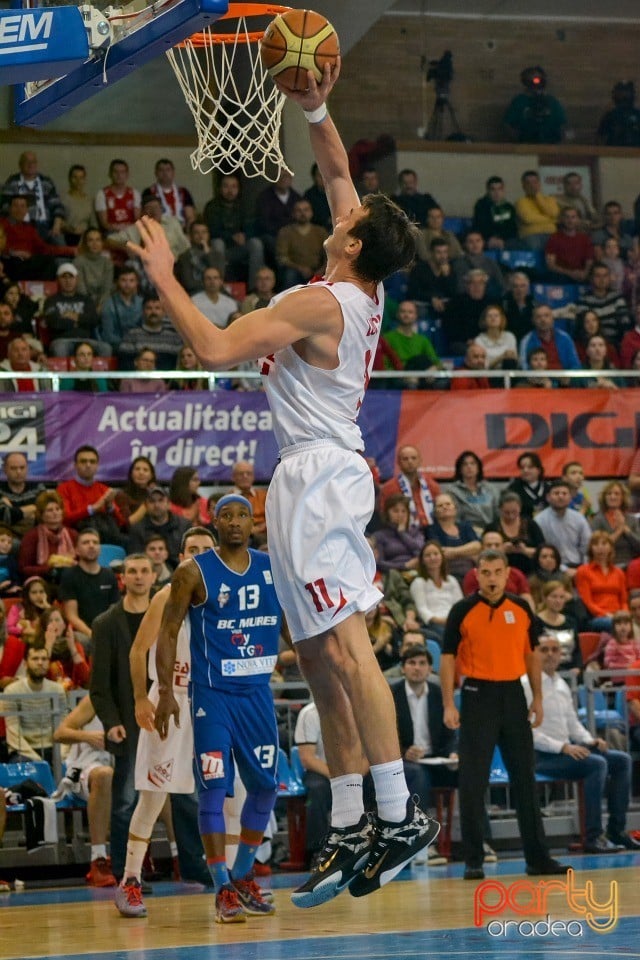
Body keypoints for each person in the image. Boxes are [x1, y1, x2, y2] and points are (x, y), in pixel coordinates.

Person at [128, 59, 440, 908]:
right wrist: (317, 104)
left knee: (345, 646)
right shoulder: (357, 274)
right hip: (309, 476)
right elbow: (338, 168)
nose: (342, 204)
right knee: (315, 654)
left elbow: (217, 349)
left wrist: (164, 280)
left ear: (354, 240)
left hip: (321, 475)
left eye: (353, 215)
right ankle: (348, 822)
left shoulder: (320, 302)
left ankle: (400, 810)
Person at [152, 497, 281, 923]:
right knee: (213, 787)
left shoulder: (273, 566)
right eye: (225, 515)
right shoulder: (193, 571)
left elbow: (293, 624)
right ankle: (221, 885)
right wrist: (168, 692)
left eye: (242, 514)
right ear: (214, 522)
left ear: (252, 521)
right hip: (213, 696)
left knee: (265, 787)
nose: (234, 522)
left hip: (258, 694)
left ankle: (242, 875)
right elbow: (168, 630)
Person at [440, 548, 568, 879]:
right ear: (477, 574)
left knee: (525, 777)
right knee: (473, 779)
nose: (492, 578)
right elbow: (447, 659)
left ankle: (537, 858)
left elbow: (532, 654)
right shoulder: (462, 610)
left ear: (507, 573)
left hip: (513, 694)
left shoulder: (521, 608)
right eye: (486, 572)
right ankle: (474, 859)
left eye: (498, 572)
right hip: (476, 695)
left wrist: (537, 698)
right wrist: (448, 703)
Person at [115, 526, 216, 918]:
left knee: (221, 790)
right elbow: (138, 650)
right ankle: (130, 880)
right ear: (180, 556)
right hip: (168, 700)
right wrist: (142, 698)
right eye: (191, 549)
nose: (197, 554)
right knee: (153, 795)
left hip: (208, 701)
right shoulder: (164, 596)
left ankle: (231, 879)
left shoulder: (221, 599)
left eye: (205, 549)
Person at [523, 636, 639, 852]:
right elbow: (528, 733)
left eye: (555, 650)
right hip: (540, 756)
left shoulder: (561, 684)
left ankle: (617, 830)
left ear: (560, 655)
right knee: (596, 764)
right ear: (534, 654)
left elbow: (572, 722)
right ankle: (593, 837)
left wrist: (588, 740)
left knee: (621, 760)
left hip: (566, 752)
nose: (550, 654)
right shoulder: (525, 684)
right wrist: (563, 748)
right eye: (544, 649)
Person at [89, 553, 156, 881]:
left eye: (145, 571)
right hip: (128, 726)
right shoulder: (105, 624)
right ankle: (124, 871)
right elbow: (98, 687)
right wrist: (111, 721)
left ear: (154, 577)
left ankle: (191, 868)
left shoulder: (167, 618)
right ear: (123, 578)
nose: (139, 576)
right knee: (125, 800)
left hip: (167, 718)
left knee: (183, 798)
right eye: (133, 571)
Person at [391, 643, 457, 865]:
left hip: (436, 759)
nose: (417, 668)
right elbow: (381, 734)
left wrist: (454, 753)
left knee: (469, 774)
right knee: (419, 776)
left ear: (430, 668)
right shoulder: (392, 695)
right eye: (411, 663)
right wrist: (403, 752)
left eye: (422, 663)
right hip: (405, 763)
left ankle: (480, 841)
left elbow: (450, 734)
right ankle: (422, 844)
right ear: (403, 668)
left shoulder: (440, 694)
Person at [53, 694, 116, 886]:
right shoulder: (94, 699)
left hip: (122, 765)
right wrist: (88, 736)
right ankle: (98, 860)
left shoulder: (138, 700)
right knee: (104, 775)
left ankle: (176, 857)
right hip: (86, 769)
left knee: (158, 779)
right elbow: (59, 733)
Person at [58, 527, 120, 655]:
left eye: (95, 542)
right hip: (83, 633)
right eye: (86, 543)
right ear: (77, 550)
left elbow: (114, 610)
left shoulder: (109, 575)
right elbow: (71, 616)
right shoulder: (69, 575)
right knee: (82, 641)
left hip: (106, 630)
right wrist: (92, 634)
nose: (91, 546)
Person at [2, 645, 65, 763]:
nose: (40, 663)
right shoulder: (12, 691)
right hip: (23, 750)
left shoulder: (57, 690)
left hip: (53, 747)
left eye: (44, 659)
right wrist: (39, 761)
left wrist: (62, 756)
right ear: (25, 663)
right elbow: (13, 732)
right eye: (35, 659)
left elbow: (64, 724)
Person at [57, 445, 127, 546]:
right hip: (75, 539)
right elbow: (64, 517)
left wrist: (110, 507)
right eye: (83, 461)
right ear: (75, 465)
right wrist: (92, 509)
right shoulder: (64, 489)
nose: (88, 465)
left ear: (97, 466)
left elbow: (121, 522)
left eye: (92, 462)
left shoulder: (104, 489)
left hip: (106, 539)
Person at [535, 480, 592, 579]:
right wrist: (563, 569)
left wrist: (584, 569)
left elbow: (587, 547)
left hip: (579, 567)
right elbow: (539, 551)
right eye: (556, 493)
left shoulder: (579, 518)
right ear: (548, 497)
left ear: (570, 498)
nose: (560, 496)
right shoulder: (539, 520)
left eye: (564, 493)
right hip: (552, 568)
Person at [17, 490, 78, 584]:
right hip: (41, 581)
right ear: (41, 515)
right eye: (50, 510)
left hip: (70, 580)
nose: (55, 513)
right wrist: (49, 570)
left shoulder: (73, 534)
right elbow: (24, 569)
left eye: (58, 509)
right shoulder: (32, 536)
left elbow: (81, 562)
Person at [409, 541, 462, 645]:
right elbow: (422, 609)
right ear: (422, 560)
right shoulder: (418, 583)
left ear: (442, 557)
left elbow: (459, 605)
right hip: (433, 625)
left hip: (454, 621)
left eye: (436, 554)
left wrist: (453, 620)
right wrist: (441, 621)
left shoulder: (452, 580)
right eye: (428, 555)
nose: (432, 558)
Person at [575, 531, 628, 632]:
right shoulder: (583, 571)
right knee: (613, 625)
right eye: (596, 544)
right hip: (597, 617)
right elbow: (588, 602)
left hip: (618, 616)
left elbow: (624, 601)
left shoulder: (619, 572)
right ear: (591, 548)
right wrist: (607, 615)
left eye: (604, 543)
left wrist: (624, 615)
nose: (600, 547)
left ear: (610, 547)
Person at [380, 445, 440, 529]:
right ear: (398, 463)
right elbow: (384, 516)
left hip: (432, 530)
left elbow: (439, 511)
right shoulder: (388, 488)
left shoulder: (432, 486)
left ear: (420, 461)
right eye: (405, 459)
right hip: (401, 531)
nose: (410, 462)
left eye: (413, 458)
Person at [486, 490, 544, 576]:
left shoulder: (530, 524)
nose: (511, 516)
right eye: (506, 512)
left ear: (520, 508)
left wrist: (525, 550)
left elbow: (543, 550)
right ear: (500, 509)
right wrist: (501, 550)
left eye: (514, 512)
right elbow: (484, 553)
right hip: (500, 570)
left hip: (530, 570)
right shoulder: (492, 527)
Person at [425, 493, 481, 582]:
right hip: (447, 574)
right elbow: (441, 552)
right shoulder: (432, 530)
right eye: (440, 506)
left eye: (448, 504)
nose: (445, 507)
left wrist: (453, 552)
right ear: (435, 512)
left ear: (455, 508)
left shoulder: (465, 526)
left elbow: (477, 546)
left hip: (471, 572)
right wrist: (468, 553)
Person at [128, 485, 189, 566]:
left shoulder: (184, 526)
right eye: (152, 501)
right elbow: (136, 560)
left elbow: (189, 556)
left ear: (168, 504)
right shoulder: (137, 530)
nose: (156, 505)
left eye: (161, 500)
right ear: (146, 506)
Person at [275, 198, 328, 290]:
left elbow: (329, 255)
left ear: (311, 212)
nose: (303, 213)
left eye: (306, 210)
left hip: (317, 270)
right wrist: (300, 268)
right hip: (295, 271)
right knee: (290, 275)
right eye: (298, 210)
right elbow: (282, 258)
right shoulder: (285, 232)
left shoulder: (320, 231)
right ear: (293, 213)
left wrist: (321, 270)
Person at [518, 304, 581, 374]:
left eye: (546, 316)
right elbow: (524, 368)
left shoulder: (565, 338)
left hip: (565, 380)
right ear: (533, 320)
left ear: (552, 318)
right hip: (538, 381)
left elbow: (575, 364)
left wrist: (568, 377)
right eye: (538, 317)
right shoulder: (526, 340)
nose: (543, 319)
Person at [591, 480, 640, 568]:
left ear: (623, 497)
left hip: (630, 565)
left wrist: (626, 530)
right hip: (606, 566)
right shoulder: (598, 519)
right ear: (604, 497)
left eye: (617, 494)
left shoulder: (632, 520)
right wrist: (619, 530)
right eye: (609, 494)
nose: (612, 497)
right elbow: (597, 547)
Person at [446, 449, 498, 533]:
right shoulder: (452, 491)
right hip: (466, 532)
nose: (469, 467)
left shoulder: (490, 489)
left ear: (478, 468)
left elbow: (498, 512)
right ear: (460, 469)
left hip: (491, 531)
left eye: (473, 463)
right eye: (465, 464)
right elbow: (455, 519)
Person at [535, 579, 581, 672]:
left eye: (561, 597)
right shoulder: (536, 621)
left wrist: (577, 668)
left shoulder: (571, 621)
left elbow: (577, 652)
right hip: (545, 671)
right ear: (544, 598)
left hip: (571, 672)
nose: (558, 601)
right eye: (554, 597)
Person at [373, 494, 424, 577]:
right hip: (394, 576)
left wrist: (402, 533)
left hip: (418, 573)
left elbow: (420, 553)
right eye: (395, 511)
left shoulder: (416, 532)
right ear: (387, 513)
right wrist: (404, 566)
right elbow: (378, 564)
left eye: (404, 511)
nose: (400, 515)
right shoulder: (379, 536)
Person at [0, 451, 46, 537]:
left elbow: (45, 513)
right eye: (13, 468)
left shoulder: (38, 487)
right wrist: (32, 508)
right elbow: (3, 516)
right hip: (6, 539)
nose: (18, 472)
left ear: (27, 468)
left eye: (22, 467)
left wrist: (12, 511)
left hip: (35, 536)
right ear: (5, 470)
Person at [544, 207, 594, 283]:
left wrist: (585, 273)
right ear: (562, 219)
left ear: (578, 219)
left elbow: (589, 261)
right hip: (561, 276)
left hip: (581, 275)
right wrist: (570, 273)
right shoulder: (554, 238)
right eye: (567, 217)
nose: (570, 220)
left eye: (573, 217)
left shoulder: (585, 239)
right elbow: (550, 265)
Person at [175, 220, 225, 295]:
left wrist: (208, 255)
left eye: (204, 232)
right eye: (196, 233)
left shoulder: (217, 255)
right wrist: (211, 285)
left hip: (217, 294)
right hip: (194, 294)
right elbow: (188, 284)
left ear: (208, 235)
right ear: (190, 236)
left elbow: (219, 278)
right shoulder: (185, 257)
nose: (201, 236)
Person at [99, 266, 143, 351]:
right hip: (117, 347)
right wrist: (127, 345)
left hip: (139, 345)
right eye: (123, 280)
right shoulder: (109, 304)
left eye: (131, 280)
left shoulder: (141, 303)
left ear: (137, 282)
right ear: (117, 282)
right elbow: (108, 335)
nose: (127, 284)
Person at [515, 170, 560, 251]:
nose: (532, 185)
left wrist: (538, 197)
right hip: (531, 235)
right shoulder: (520, 202)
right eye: (528, 183)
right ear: (523, 186)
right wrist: (551, 220)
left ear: (539, 184)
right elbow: (528, 219)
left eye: (534, 182)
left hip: (551, 233)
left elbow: (554, 213)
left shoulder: (550, 199)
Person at [74, 228, 114, 314]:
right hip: (84, 303)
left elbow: (106, 290)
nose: (94, 244)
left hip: (103, 304)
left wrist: (100, 306)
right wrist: (92, 308)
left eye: (98, 240)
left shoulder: (107, 263)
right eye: (90, 240)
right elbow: (81, 290)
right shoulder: (78, 262)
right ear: (86, 243)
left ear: (102, 243)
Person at [472, 176, 518, 250]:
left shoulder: (509, 207)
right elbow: (481, 226)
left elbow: (512, 228)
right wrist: (491, 238)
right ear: (488, 191)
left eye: (499, 189)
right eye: (493, 189)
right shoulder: (481, 206)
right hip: (486, 238)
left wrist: (501, 239)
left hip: (505, 240)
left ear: (503, 190)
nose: (496, 193)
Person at [230, 460, 268, 547]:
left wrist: (259, 528)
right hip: (237, 534)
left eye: (248, 473)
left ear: (253, 477)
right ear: (233, 477)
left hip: (263, 536)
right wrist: (249, 530)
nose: (245, 476)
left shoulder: (264, 496)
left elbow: (272, 518)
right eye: (241, 474)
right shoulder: (227, 498)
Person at [473, 304, 518, 371]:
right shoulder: (479, 340)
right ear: (484, 320)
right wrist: (501, 358)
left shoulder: (510, 336)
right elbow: (481, 365)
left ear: (501, 319)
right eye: (489, 316)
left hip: (508, 372)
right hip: (488, 375)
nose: (493, 318)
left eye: (496, 316)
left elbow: (514, 359)